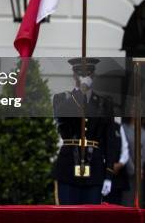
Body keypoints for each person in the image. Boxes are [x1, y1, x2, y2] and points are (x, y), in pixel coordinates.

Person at [52, 58, 114, 205]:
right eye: (80, 74)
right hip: (68, 166)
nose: (84, 77)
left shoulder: (104, 103)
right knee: (67, 216)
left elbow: (109, 138)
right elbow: (61, 116)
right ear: (74, 76)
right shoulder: (61, 98)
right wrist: (81, 92)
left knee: (91, 217)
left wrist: (109, 174)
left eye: (88, 74)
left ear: (93, 76)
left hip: (95, 167)